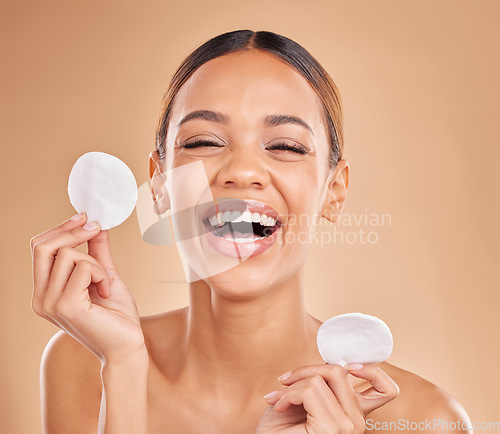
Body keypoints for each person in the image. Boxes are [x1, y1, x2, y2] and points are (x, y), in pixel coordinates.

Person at [31, 30, 471, 433]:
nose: (241, 172)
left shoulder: (422, 420)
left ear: (334, 191)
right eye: (203, 142)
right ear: (160, 186)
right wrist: (124, 366)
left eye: (285, 146)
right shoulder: (86, 363)